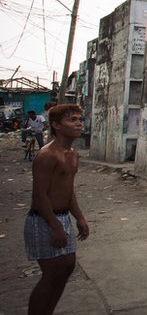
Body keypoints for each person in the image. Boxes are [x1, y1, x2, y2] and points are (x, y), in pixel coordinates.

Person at [25, 103, 89, 315]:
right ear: (56, 125)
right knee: (51, 274)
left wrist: (79, 217)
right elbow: (39, 195)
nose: (79, 124)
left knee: (67, 267)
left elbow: (68, 190)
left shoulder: (72, 154)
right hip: (44, 219)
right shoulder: (47, 155)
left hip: (63, 217)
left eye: (79, 119)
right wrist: (54, 226)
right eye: (72, 119)